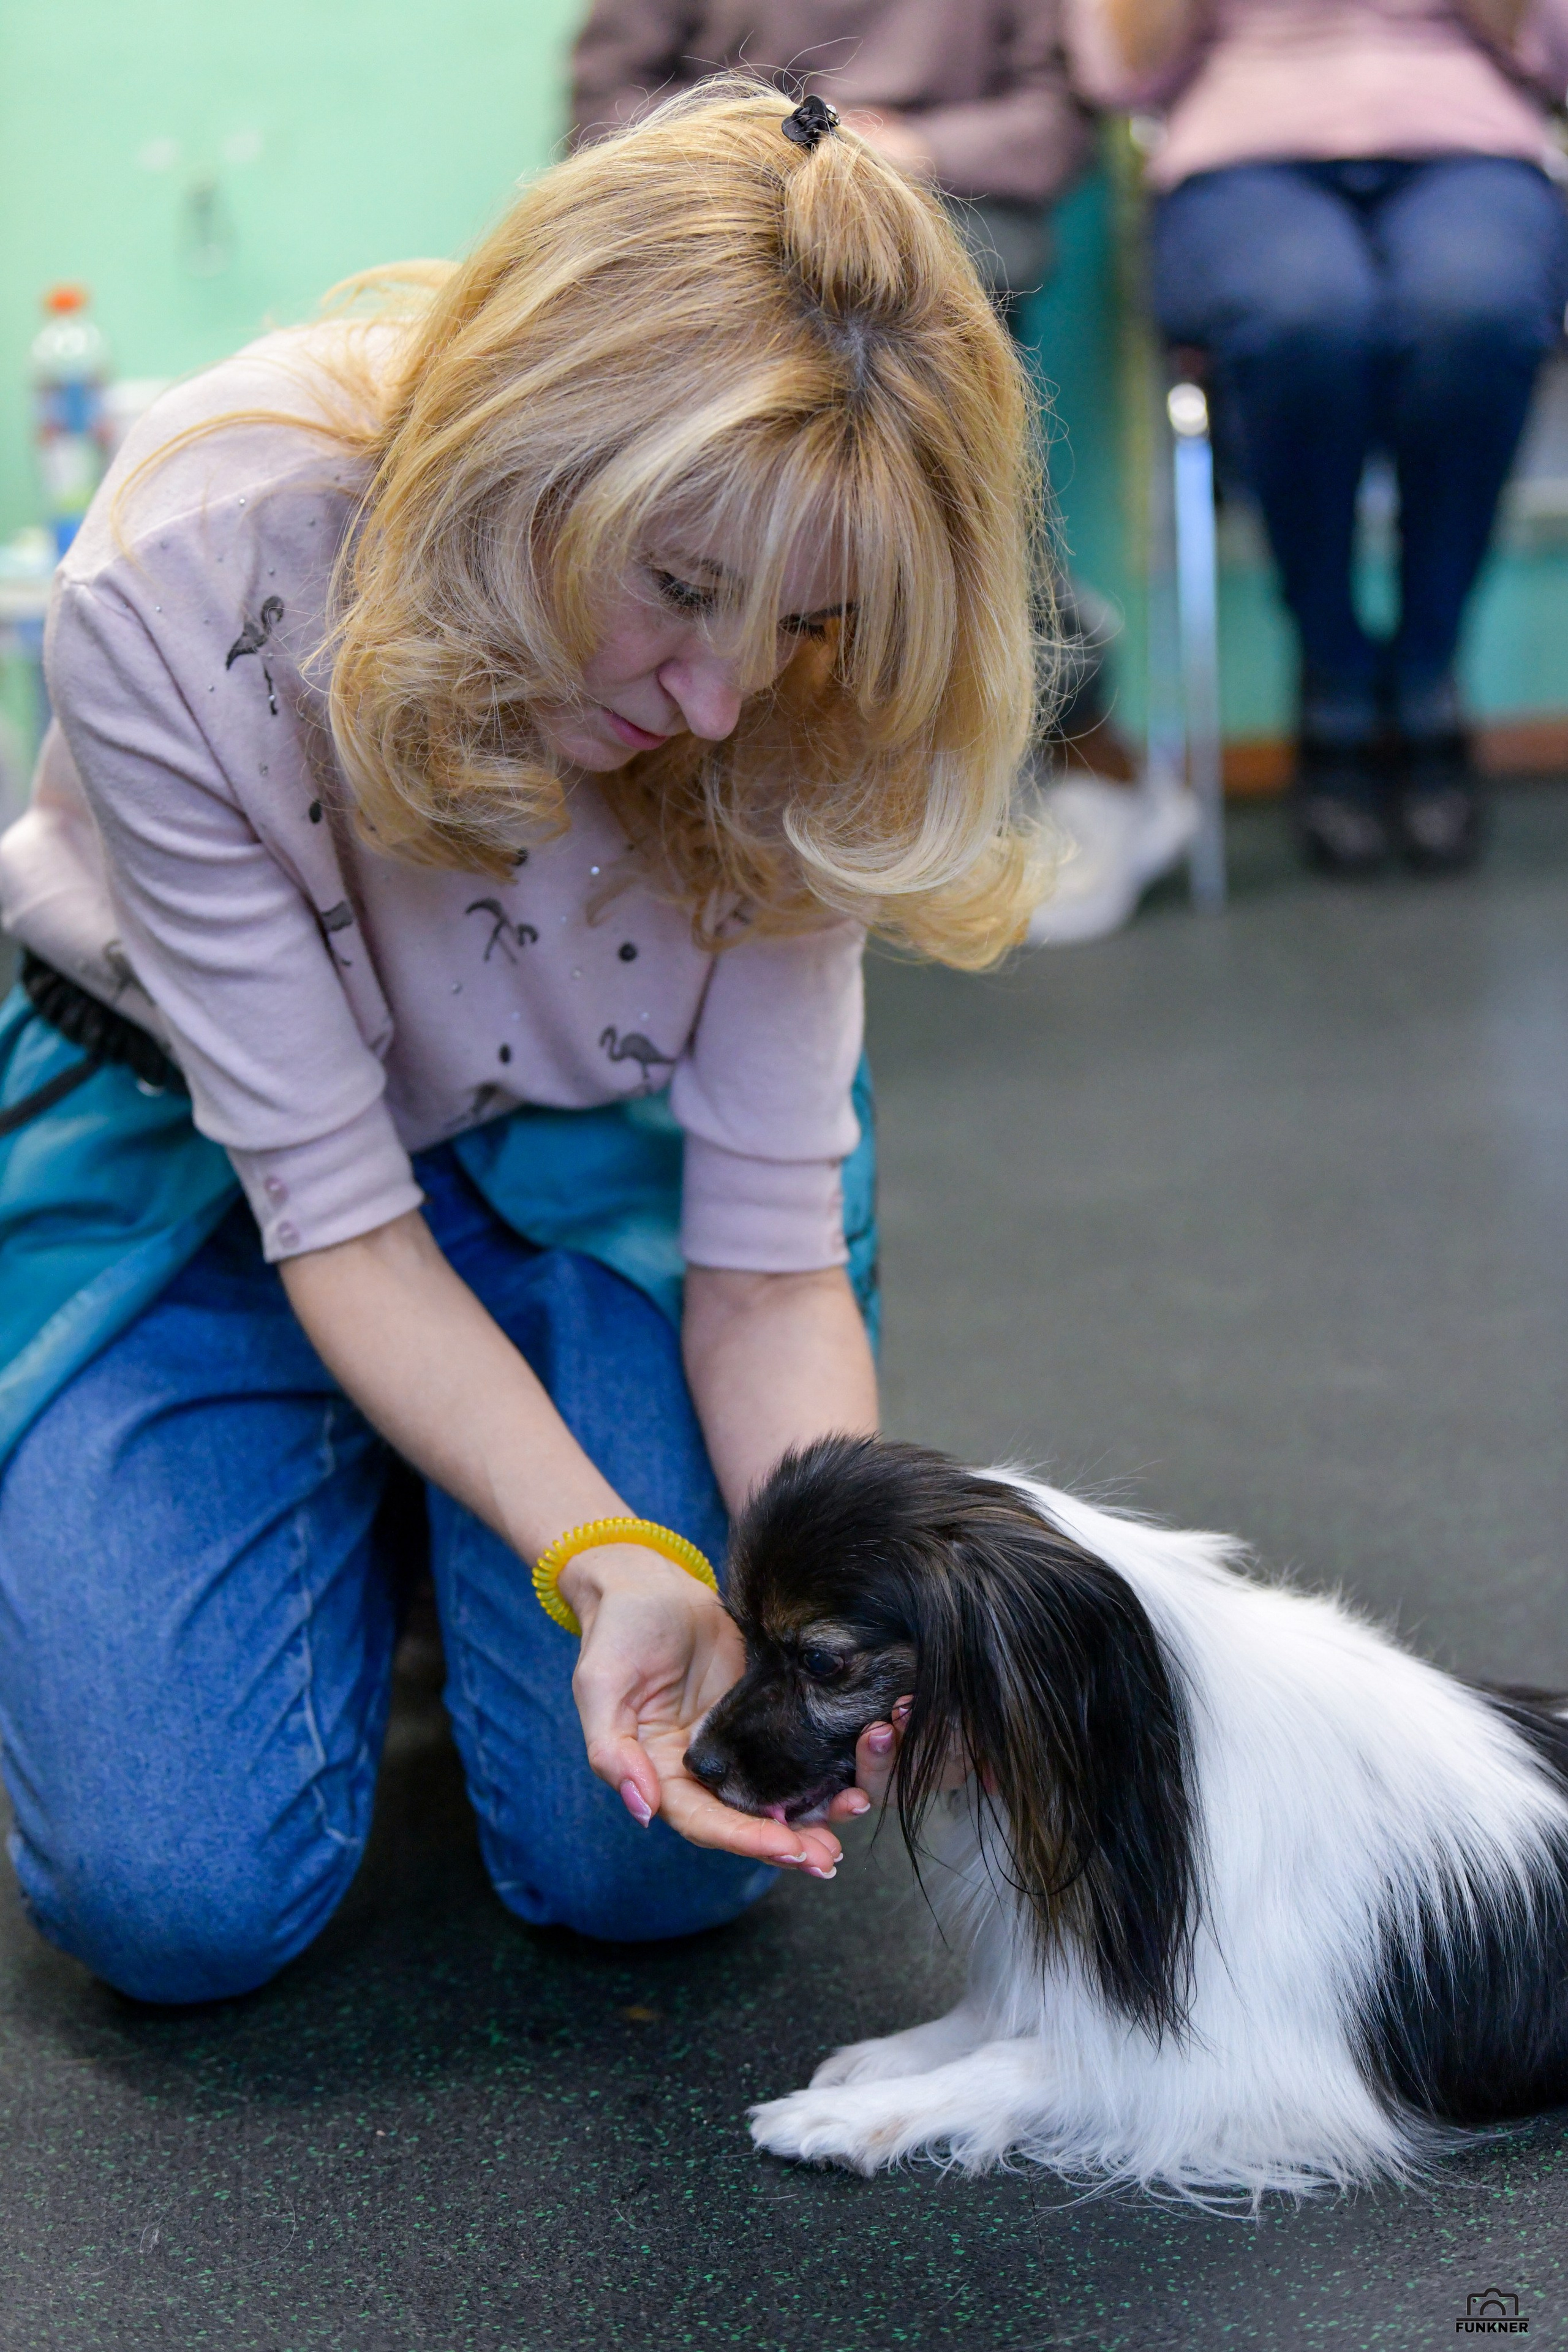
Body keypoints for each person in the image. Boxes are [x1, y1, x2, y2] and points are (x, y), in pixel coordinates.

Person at [0, 83, 1042, 2003]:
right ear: (531, 452)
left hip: (577, 1159)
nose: (723, 693)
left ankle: (419, 1521)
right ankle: (396, 1527)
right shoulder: (186, 569)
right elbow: (336, 1216)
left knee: (643, 1862)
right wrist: (591, 1544)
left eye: (799, 619)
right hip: (210, 1165)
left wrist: (858, 1613)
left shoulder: (804, 683)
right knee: (174, 1902)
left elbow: (766, 1272)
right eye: (674, 585)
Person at [573, 1, 1201, 941]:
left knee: (926, 415)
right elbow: (599, 111)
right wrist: (780, 147)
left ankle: (1066, 725)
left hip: (950, 213)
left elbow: (1055, 128)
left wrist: (905, 147)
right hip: (726, 207)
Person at [1068, 0, 1568, 874]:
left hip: (1470, 144)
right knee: (1307, 316)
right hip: (1242, 155)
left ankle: (1426, 667)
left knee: (1475, 311)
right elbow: (1113, 75)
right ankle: (1333, 668)